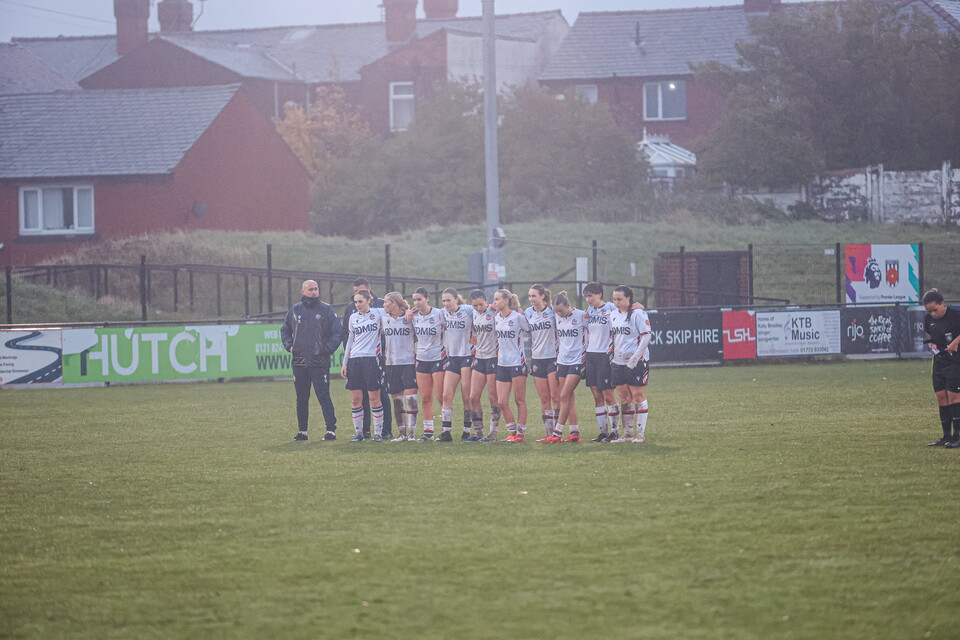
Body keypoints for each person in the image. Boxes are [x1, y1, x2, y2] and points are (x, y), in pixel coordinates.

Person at [280, 280, 343, 442]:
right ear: (303, 291)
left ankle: (331, 431)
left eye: (316, 289)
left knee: (323, 395)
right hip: (299, 362)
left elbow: (337, 333)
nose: (314, 292)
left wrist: (326, 349)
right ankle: (302, 432)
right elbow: (285, 330)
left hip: (319, 362)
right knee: (301, 398)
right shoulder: (295, 310)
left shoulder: (326, 309)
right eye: (311, 289)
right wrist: (289, 346)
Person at [341, 278, 393, 439]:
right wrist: (345, 362)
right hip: (355, 360)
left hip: (372, 360)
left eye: (361, 301)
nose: (357, 304)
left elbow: (396, 310)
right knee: (356, 399)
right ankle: (359, 433)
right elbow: (350, 339)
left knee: (374, 398)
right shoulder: (353, 317)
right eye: (356, 302)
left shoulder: (379, 313)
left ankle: (378, 433)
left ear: (369, 300)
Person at [542, 291, 588, 443]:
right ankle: (574, 432)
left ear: (568, 305)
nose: (558, 314)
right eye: (556, 311)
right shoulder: (556, 315)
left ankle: (557, 433)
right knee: (569, 397)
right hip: (562, 361)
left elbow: (600, 322)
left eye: (561, 310)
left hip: (577, 361)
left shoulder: (582, 315)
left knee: (563, 395)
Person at [609, 285, 653, 443]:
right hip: (618, 362)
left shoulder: (638, 314)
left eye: (620, 299)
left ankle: (640, 434)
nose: (616, 302)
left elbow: (646, 336)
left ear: (629, 298)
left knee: (638, 396)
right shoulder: (613, 315)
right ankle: (627, 434)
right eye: (614, 299)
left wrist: (635, 357)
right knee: (624, 397)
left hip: (636, 362)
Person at [921, 288, 960, 448]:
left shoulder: (955, 316)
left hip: (955, 362)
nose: (932, 314)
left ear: (942, 304)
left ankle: (958, 437)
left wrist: (956, 341)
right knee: (941, 397)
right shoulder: (928, 319)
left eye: (934, 310)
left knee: (954, 397)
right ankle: (946, 436)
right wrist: (932, 344)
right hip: (939, 362)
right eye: (929, 311)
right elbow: (929, 336)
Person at [582, 282, 620, 442]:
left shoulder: (611, 308)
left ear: (599, 295)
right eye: (586, 296)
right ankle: (603, 432)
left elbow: (626, 313)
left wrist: (638, 307)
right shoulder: (589, 311)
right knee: (596, 395)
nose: (588, 299)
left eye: (590, 296)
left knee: (608, 394)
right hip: (591, 355)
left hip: (605, 355)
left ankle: (615, 431)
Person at [493, 288, 531, 442]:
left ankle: (520, 434)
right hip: (502, 364)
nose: (494, 302)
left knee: (519, 400)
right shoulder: (496, 317)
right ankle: (512, 432)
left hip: (517, 363)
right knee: (501, 401)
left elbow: (529, 329)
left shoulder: (517, 317)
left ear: (506, 301)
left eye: (497, 299)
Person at [382, 292, 419, 442]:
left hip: (408, 362)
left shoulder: (410, 317)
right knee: (396, 400)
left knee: (411, 399)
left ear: (394, 304)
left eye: (386, 302)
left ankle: (411, 434)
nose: (383, 305)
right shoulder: (383, 318)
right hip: (391, 363)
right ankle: (402, 434)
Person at [440, 288, 475, 441]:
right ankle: (446, 432)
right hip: (452, 358)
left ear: (456, 299)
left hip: (467, 356)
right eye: (444, 301)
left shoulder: (468, 310)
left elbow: (484, 315)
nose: (446, 303)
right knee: (446, 394)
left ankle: (467, 431)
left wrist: (478, 338)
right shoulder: (443, 313)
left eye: (449, 300)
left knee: (466, 396)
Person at [466, 289, 501, 441]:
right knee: (473, 396)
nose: (478, 308)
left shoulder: (494, 312)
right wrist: (471, 339)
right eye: (475, 305)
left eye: (481, 304)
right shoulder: (472, 313)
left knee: (493, 396)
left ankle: (493, 433)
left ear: (487, 301)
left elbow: (512, 311)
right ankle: (478, 432)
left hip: (494, 357)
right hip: (479, 357)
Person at [526, 284, 560, 441]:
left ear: (542, 296)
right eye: (530, 296)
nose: (531, 299)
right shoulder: (528, 313)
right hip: (537, 359)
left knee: (555, 396)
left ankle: (558, 433)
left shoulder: (552, 311)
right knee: (544, 398)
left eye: (534, 296)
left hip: (553, 357)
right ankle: (549, 433)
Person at [412, 287, 447, 441]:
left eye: (419, 299)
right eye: (414, 300)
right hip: (421, 360)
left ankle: (446, 430)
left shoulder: (439, 314)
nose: (417, 302)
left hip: (438, 358)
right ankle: (428, 432)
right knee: (425, 397)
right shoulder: (413, 316)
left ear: (427, 299)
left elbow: (451, 328)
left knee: (440, 396)